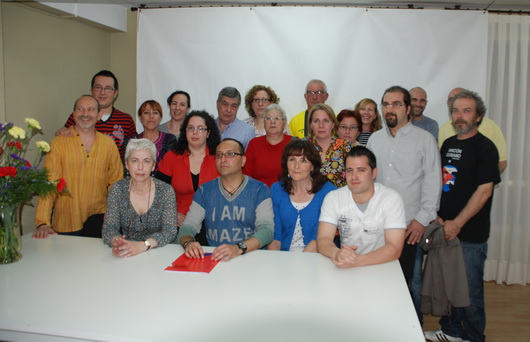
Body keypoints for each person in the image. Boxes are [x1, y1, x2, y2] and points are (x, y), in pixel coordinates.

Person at [424, 90, 501, 342]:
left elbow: (485, 189)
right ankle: (452, 331)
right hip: (445, 229)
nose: (460, 116)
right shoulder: (449, 144)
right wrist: (438, 215)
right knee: (450, 287)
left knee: (469, 292)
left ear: (478, 116)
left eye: (466, 111)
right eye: (456, 110)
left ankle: (474, 336)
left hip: (469, 234)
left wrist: (458, 223)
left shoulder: (485, 148)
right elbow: (443, 182)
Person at [366, 85, 441, 324]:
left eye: (396, 104)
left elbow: (432, 182)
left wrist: (421, 220)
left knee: (409, 284)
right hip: (376, 225)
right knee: (377, 280)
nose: (390, 109)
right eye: (386, 104)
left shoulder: (425, 140)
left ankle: (410, 330)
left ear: (408, 109)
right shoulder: (375, 140)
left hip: (409, 227)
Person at [33, 95, 123, 238]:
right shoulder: (59, 143)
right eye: (80, 109)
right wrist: (42, 222)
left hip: (99, 220)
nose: (85, 114)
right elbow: (49, 183)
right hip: (66, 221)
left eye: (91, 109)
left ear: (99, 115)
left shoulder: (109, 145)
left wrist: (114, 218)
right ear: (74, 114)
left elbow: (116, 184)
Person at [177, 138, 274, 261]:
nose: (223, 159)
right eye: (219, 155)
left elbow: (267, 230)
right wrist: (188, 243)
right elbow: (188, 226)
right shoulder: (204, 191)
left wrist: (238, 248)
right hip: (216, 258)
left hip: (251, 256)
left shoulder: (259, 189)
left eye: (230, 154)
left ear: (243, 160)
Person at [317, 146, 406, 267]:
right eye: (349, 170)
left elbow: (394, 248)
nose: (354, 176)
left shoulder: (391, 199)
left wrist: (357, 261)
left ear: (374, 173)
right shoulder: (333, 198)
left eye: (361, 170)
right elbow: (323, 239)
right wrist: (337, 253)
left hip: (382, 265)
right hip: (345, 265)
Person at [102, 139, 178, 257]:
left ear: (153, 166)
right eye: (134, 161)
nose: (140, 167)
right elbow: (109, 228)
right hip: (129, 252)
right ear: (127, 164)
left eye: (146, 161)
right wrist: (117, 241)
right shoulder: (117, 189)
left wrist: (144, 245)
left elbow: (170, 231)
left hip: (161, 253)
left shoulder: (166, 191)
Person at [156, 110, 221, 245]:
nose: (195, 132)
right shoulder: (171, 158)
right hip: (179, 222)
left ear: (208, 133)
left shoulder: (219, 159)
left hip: (214, 224)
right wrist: (174, 214)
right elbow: (158, 193)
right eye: (190, 128)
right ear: (184, 132)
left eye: (200, 128)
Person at [268, 140, 336, 252]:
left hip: (315, 258)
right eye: (292, 159)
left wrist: (299, 266)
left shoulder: (328, 192)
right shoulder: (276, 189)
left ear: (313, 166)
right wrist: (276, 263)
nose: (296, 166)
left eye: (303, 161)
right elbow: (275, 237)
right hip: (282, 258)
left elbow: (318, 238)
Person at [57, 70, 137, 160]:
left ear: (115, 93)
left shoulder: (126, 120)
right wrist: (61, 132)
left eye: (108, 88)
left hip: (115, 172)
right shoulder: (79, 117)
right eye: (98, 87)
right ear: (91, 90)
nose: (102, 92)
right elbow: (64, 142)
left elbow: (134, 152)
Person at [438, 87, 508, 173]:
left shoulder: (490, 129)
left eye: (466, 110)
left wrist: (483, 180)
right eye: (451, 100)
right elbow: (440, 164)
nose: (460, 115)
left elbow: (502, 163)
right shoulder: (444, 132)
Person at [244, 104, 294, 187]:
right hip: (259, 194)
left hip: (288, 193)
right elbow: (246, 176)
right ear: (264, 123)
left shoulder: (294, 142)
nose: (272, 122)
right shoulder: (254, 144)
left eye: (277, 118)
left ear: (284, 123)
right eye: (268, 118)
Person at [306, 103, 351, 188]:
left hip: (338, 198)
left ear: (333, 124)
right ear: (310, 124)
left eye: (326, 121)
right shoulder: (303, 146)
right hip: (308, 198)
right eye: (316, 121)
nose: (321, 126)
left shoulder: (345, 146)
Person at [124, 100, 176, 173]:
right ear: (140, 117)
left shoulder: (169, 140)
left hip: (163, 184)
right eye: (146, 112)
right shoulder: (130, 142)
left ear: (160, 117)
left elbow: (172, 169)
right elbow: (126, 171)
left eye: (155, 113)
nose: (151, 116)